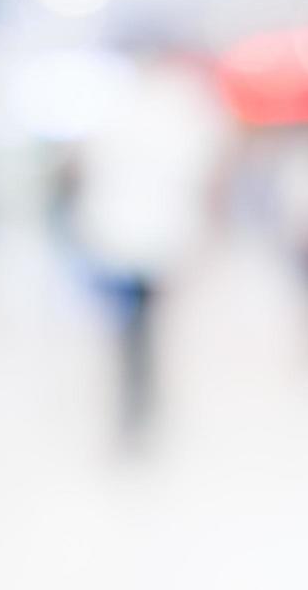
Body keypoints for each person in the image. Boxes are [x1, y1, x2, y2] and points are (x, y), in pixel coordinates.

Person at [68, 55, 229, 448]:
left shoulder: (128, 108)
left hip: (127, 239)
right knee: (138, 327)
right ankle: (140, 402)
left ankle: (138, 402)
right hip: (142, 240)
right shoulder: (176, 110)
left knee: (133, 328)